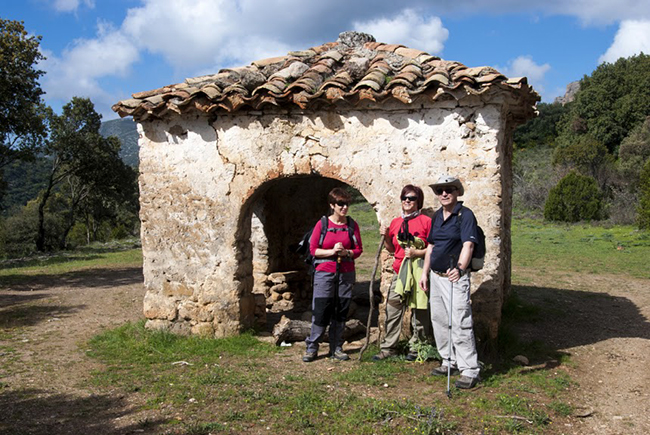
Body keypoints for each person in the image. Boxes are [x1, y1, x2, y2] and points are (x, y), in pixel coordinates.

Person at [419, 175, 481, 389]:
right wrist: (425, 273)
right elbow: (431, 247)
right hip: (436, 277)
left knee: (460, 322)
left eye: (449, 190)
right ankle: (449, 360)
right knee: (439, 320)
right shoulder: (437, 216)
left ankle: (470, 370)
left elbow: (468, 245)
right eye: (439, 190)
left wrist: (461, 268)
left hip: (454, 277)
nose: (444, 194)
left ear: (457, 192)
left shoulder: (465, 215)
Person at [373, 185, 433, 361]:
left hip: (419, 272)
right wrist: (385, 237)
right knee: (393, 308)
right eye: (405, 197)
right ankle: (388, 348)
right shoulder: (395, 222)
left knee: (419, 311)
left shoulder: (426, 222)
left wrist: (417, 253)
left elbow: (433, 248)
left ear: (418, 202)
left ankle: (417, 348)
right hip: (400, 273)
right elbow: (392, 248)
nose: (407, 201)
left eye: (412, 198)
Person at [303, 187, 363, 362]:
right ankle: (312, 347)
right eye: (340, 204)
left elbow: (358, 249)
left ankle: (336, 347)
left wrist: (347, 253)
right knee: (321, 310)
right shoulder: (322, 225)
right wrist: (332, 252)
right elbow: (313, 250)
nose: (344, 207)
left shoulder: (352, 225)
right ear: (332, 205)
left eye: (347, 204)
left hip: (345, 273)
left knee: (341, 310)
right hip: (324, 273)